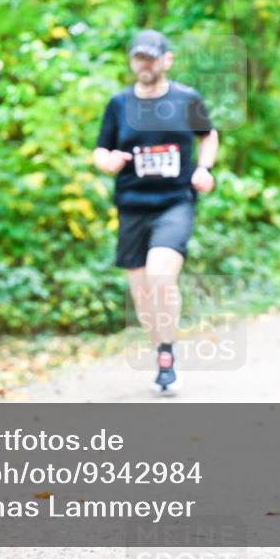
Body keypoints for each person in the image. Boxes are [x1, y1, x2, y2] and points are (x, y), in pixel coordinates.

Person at [93, 30, 219, 395]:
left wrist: (204, 168)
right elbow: (100, 150)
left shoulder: (186, 99)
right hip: (132, 205)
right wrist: (108, 161)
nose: (144, 64)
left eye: (151, 57)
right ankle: (162, 353)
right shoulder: (119, 104)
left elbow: (208, 135)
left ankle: (167, 355)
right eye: (139, 58)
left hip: (174, 202)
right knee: (142, 292)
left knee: (160, 276)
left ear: (167, 60)